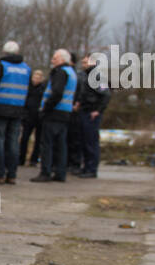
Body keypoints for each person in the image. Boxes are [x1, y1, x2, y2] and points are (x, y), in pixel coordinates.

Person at [0, 41, 31, 184]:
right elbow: (29, 91)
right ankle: (12, 174)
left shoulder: (1, 66)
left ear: (4, 52)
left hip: (0, 108)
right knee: (13, 143)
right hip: (18, 109)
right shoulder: (26, 69)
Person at [31, 49, 77, 183]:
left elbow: (56, 93)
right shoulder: (71, 73)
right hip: (65, 112)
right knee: (61, 145)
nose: (52, 61)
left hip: (54, 112)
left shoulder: (60, 72)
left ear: (62, 60)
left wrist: (46, 108)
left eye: (55, 58)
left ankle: (45, 172)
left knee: (47, 144)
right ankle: (60, 173)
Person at [74, 52, 110, 177]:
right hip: (84, 111)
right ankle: (86, 167)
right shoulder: (86, 76)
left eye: (85, 62)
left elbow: (106, 95)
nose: (83, 65)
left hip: (92, 113)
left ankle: (91, 169)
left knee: (91, 142)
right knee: (83, 141)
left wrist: (98, 110)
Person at [19, 68, 46, 166]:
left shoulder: (43, 89)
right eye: (35, 77)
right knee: (24, 138)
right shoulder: (28, 88)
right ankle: (21, 158)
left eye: (38, 77)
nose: (36, 79)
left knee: (38, 139)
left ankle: (34, 159)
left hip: (39, 117)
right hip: (28, 116)